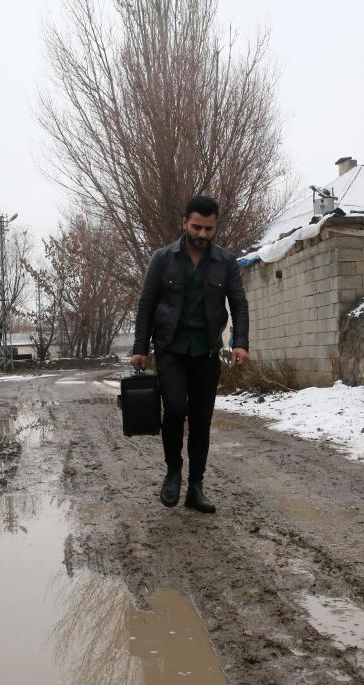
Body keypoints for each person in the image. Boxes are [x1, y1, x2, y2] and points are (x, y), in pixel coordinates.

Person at [130, 195, 249, 513]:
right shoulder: (162, 259)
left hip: (206, 353)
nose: (202, 234)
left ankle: (196, 487)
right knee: (174, 407)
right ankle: (173, 472)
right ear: (184, 223)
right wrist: (140, 348)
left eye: (209, 229)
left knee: (201, 421)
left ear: (215, 227)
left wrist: (240, 342)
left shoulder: (225, 262)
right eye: (197, 227)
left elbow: (239, 302)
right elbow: (146, 303)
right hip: (170, 349)